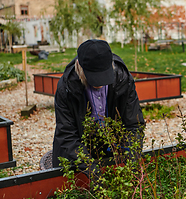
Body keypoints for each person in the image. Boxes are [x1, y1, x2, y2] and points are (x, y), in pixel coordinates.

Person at [52, 39, 145, 176]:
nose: (99, 82)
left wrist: (131, 159)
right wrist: (91, 169)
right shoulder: (66, 88)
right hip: (75, 155)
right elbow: (67, 134)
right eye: (93, 77)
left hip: (112, 151)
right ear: (79, 66)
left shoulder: (122, 79)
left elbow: (134, 124)